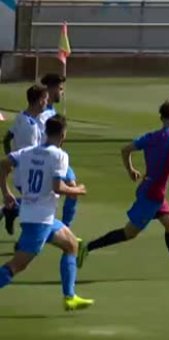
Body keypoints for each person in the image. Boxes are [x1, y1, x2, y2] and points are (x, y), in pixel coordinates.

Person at [77, 100, 169, 279]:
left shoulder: (151, 136)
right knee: (130, 233)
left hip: (149, 189)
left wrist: (131, 171)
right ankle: (86, 248)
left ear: (161, 118)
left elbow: (125, 150)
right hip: (153, 195)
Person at [0, 114, 93, 311]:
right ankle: (69, 296)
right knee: (16, 266)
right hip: (39, 221)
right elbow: (58, 187)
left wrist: (6, 192)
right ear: (63, 134)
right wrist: (78, 190)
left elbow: (3, 164)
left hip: (37, 216)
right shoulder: (59, 155)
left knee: (71, 245)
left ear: (45, 132)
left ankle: (70, 297)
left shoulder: (27, 151)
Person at [1, 85, 49, 235]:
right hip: (27, 175)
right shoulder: (31, 127)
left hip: (20, 172)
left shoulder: (21, 117)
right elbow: (31, 155)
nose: (47, 103)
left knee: (35, 204)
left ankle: (10, 211)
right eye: (46, 100)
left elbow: (7, 139)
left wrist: (11, 158)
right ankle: (11, 212)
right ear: (40, 101)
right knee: (37, 206)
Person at [40, 73, 78, 228]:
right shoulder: (41, 112)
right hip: (44, 158)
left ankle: (66, 227)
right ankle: (11, 208)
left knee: (72, 189)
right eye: (60, 89)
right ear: (51, 88)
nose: (62, 93)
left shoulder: (51, 111)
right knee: (40, 196)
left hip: (55, 157)